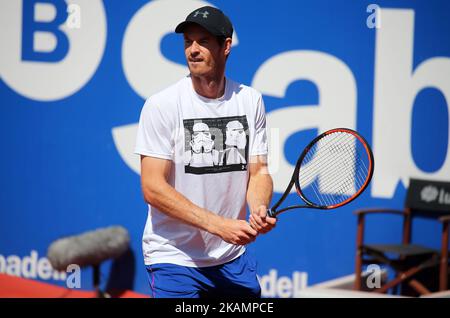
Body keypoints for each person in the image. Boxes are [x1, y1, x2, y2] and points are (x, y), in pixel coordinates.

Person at [134, 5, 276, 298]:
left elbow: (259, 172)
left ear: (226, 46)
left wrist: (258, 208)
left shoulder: (251, 101)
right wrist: (218, 225)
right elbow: (152, 188)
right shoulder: (161, 105)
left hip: (232, 259)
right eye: (188, 42)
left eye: (203, 41)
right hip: (174, 259)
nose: (193, 50)